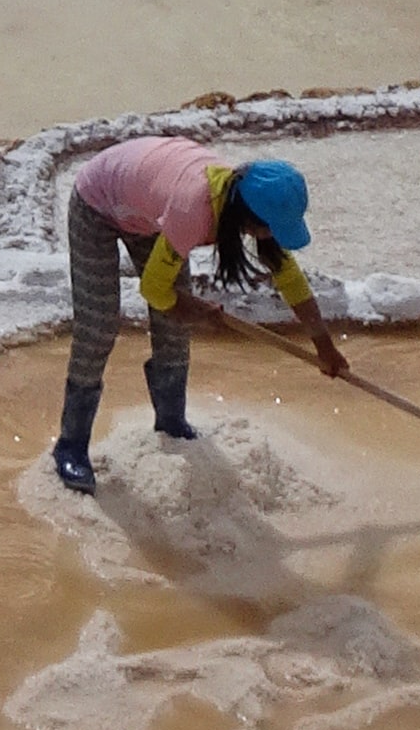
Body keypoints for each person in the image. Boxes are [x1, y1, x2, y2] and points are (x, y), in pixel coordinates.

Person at [51, 134, 344, 491]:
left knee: (173, 330)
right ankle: (71, 445)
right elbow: (154, 290)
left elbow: (289, 276)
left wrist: (324, 346)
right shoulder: (194, 209)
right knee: (99, 326)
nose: (271, 236)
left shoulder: (240, 201)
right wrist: (200, 312)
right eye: (270, 228)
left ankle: (172, 423)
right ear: (247, 217)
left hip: (147, 210)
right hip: (97, 203)